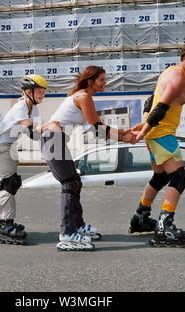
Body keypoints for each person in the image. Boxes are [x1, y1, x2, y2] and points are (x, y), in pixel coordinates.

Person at [41, 65, 136, 251]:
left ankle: (77, 225)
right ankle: (67, 233)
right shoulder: (83, 97)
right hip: (52, 140)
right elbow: (98, 128)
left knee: (75, 181)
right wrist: (125, 137)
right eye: (101, 79)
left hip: (56, 139)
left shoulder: (83, 95)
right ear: (90, 81)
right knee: (69, 183)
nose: (105, 83)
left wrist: (124, 133)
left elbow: (97, 126)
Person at [129, 40, 185, 248]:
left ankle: (140, 217)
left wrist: (145, 127)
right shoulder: (178, 75)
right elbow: (161, 107)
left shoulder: (170, 72)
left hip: (156, 133)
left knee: (161, 175)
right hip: (162, 133)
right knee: (180, 177)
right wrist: (144, 131)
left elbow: (150, 101)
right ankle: (165, 227)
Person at [0, 74, 56, 245]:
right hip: (1, 145)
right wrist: (52, 126)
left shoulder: (34, 109)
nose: (42, 95)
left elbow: (35, 134)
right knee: (9, 183)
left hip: (10, 146)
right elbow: (33, 131)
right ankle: (4, 223)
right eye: (39, 92)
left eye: (43, 92)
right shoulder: (20, 107)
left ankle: (2, 221)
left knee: (11, 183)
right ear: (28, 92)